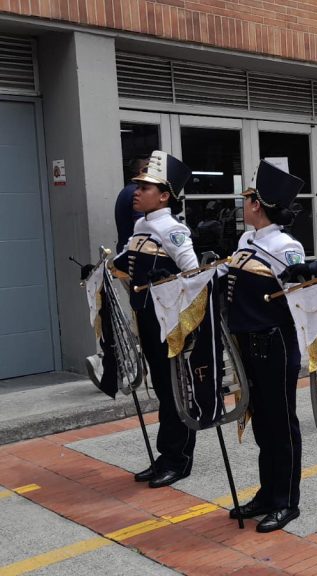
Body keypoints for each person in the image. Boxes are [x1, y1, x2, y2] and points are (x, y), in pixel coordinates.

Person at [221, 161, 307, 532]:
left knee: (281, 424)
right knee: (262, 423)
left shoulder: (286, 246)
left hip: (274, 344)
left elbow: (297, 299)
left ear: (258, 204)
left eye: (249, 199)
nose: (244, 205)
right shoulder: (246, 241)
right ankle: (267, 492)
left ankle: (286, 500)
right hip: (246, 344)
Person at [110, 151, 197, 488]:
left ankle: (179, 459)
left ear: (163, 196)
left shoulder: (172, 229)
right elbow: (126, 260)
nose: (136, 190)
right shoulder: (141, 224)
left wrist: (168, 280)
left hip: (168, 321)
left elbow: (193, 274)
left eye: (145, 187)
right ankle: (165, 454)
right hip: (145, 315)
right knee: (161, 388)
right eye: (137, 185)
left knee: (174, 389)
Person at [86, 157, 149, 394]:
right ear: (141, 171)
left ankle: (116, 362)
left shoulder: (127, 192)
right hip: (135, 263)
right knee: (142, 317)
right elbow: (141, 230)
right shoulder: (136, 195)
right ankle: (107, 361)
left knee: (138, 317)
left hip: (128, 261)